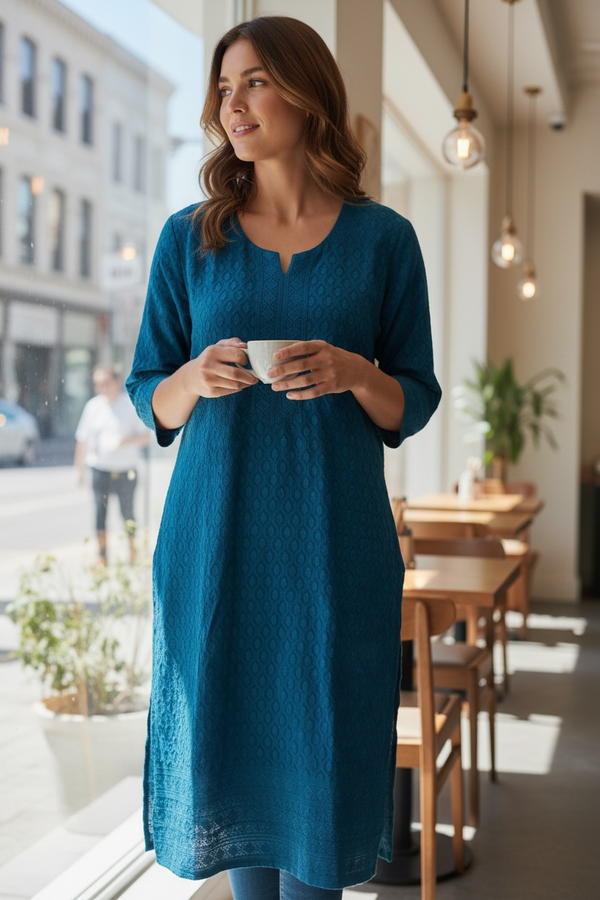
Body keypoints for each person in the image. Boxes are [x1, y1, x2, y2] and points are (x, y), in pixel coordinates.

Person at [126, 15, 441, 900]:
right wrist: (192, 376)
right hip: (215, 547)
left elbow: (413, 397)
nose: (233, 103)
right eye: (224, 87)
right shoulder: (190, 238)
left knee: (320, 799)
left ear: (306, 93)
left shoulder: (385, 241)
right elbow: (147, 390)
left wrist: (351, 371)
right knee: (232, 793)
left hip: (332, 554)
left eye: (255, 81)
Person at [75, 365, 149, 565]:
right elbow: (82, 439)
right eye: (98, 384)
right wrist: (79, 470)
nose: (102, 388)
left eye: (105, 383)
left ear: (116, 382)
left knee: (128, 513)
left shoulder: (130, 405)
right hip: (100, 468)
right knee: (100, 513)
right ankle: (101, 555)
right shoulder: (93, 406)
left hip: (126, 469)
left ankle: (133, 553)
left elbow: (146, 437)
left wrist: (126, 441)